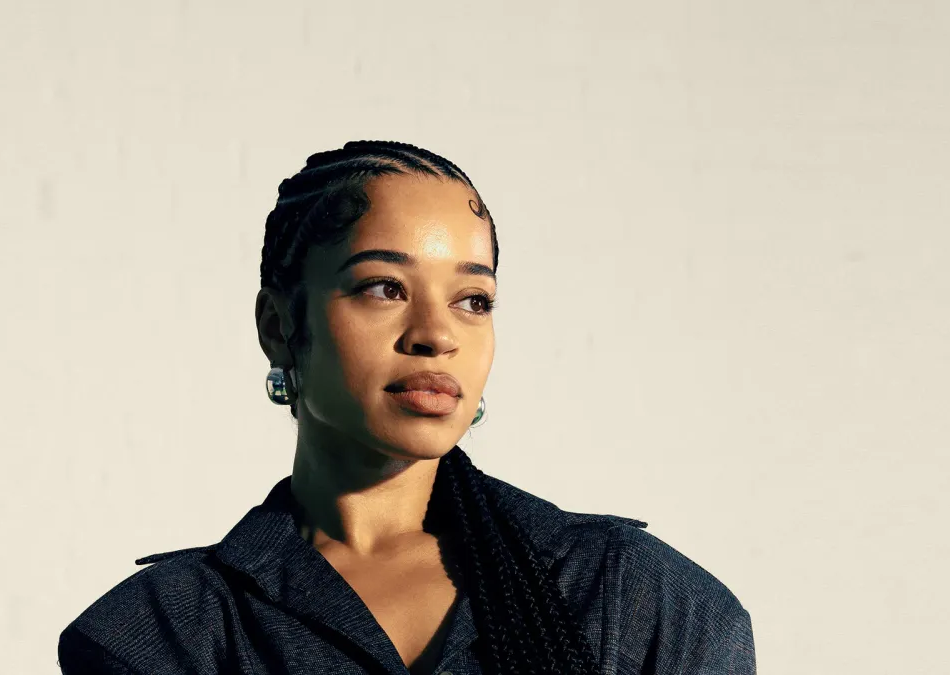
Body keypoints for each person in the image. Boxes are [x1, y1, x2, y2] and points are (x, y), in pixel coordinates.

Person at [56, 141, 756, 674]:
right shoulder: (164, 634)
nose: (436, 334)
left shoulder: (636, 598)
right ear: (279, 325)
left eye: (472, 300)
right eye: (384, 288)